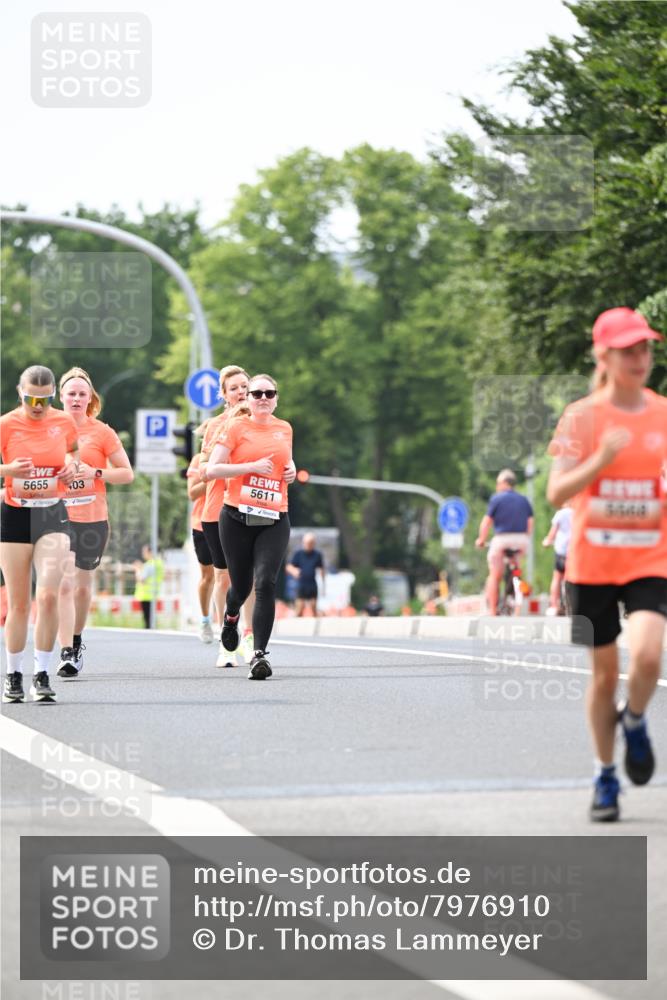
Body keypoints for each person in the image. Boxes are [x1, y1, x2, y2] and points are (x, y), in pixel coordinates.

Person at [547, 306, 667, 823]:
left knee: (646, 657)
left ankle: (635, 721)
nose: (641, 358)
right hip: (591, 564)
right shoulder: (582, 417)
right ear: (605, 356)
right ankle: (604, 775)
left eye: (646, 347)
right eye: (629, 350)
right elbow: (556, 492)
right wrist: (599, 462)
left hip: (648, 557)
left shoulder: (662, 412)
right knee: (602, 677)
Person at [203, 373, 296, 679]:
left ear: (277, 398)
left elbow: (286, 463)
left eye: (270, 393)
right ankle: (230, 618)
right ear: (249, 399)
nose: (263, 398)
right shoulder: (235, 427)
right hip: (236, 518)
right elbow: (211, 470)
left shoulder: (285, 428)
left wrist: (291, 472)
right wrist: (250, 468)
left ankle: (259, 654)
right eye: (257, 394)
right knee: (240, 586)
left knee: (266, 581)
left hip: (274, 516)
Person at [1, 365, 79, 703]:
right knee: (20, 603)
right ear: (21, 392)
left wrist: (72, 464)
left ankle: (43, 672)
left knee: (48, 596)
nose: (38, 406)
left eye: (45, 400)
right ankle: (14, 674)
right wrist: (8, 470)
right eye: (32, 398)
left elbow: (74, 453)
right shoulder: (6, 424)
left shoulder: (63, 422)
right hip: (14, 515)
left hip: (52, 513)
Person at [56, 367, 134, 677]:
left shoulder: (102, 432)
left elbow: (127, 473)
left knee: (82, 586)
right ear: (60, 396)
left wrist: (94, 473)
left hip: (92, 518)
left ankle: (75, 641)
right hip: (55, 516)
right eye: (71, 394)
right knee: (63, 583)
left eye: (81, 394)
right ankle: (64, 651)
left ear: (90, 399)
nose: (76, 399)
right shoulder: (46, 429)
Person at [198, 365, 256, 666]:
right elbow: (205, 470)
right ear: (223, 394)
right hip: (216, 508)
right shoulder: (215, 426)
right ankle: (227, 640)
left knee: (249, 577)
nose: (241, 392)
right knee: (223, 577)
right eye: (234, 388)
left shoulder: (261, 422)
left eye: (244, 386)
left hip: (250, 505)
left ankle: (249, 636)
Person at [475, 469, 534, 615]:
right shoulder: (524, 499)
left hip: (502, 539)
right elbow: (530, 522)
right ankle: (517, 579)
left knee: (494, 574)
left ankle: (493, 610)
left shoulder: (497, 499)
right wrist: (526, 537)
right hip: (521, 539)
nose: (496, 486)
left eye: (498, 483)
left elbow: (486, 522)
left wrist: (481, 539)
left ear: (504, 483)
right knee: (516, 564)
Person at [186, 434, 215, 644]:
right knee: (208, 576)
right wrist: (214, 474)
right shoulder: (198, 460)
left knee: (228, 576)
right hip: (202, 523)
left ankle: (229, 623)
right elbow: (192, 493)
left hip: (228, 520)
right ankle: (205, 620)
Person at [542, 503, 572, 615]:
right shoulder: (578, 511)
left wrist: (547, 541)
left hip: (561, 551)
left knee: (557, 577)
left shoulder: (561, 514)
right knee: (573, 578)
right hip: (574, 552)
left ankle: (554, 606)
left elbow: (553, 532)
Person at [286, 532, 325, 616]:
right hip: (302, 583)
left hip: (312, 583)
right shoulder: (298, 554)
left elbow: (321, 568)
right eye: (306, 543)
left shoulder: (317, 555)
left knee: (313, 606)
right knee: (300, 608)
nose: (308, 545)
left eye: (310, 543)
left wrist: (323, 583)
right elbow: (288, 567)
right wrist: (294, 571)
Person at [134, 545, 164, 629]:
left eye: (144, 552)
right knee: (151, 619)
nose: (143, 554)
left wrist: (137, 569)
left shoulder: (150, 564)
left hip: (146, 596)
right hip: (153, 594)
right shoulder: (159, 563)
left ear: (150, 552)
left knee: (147, 620)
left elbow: (141, 579)